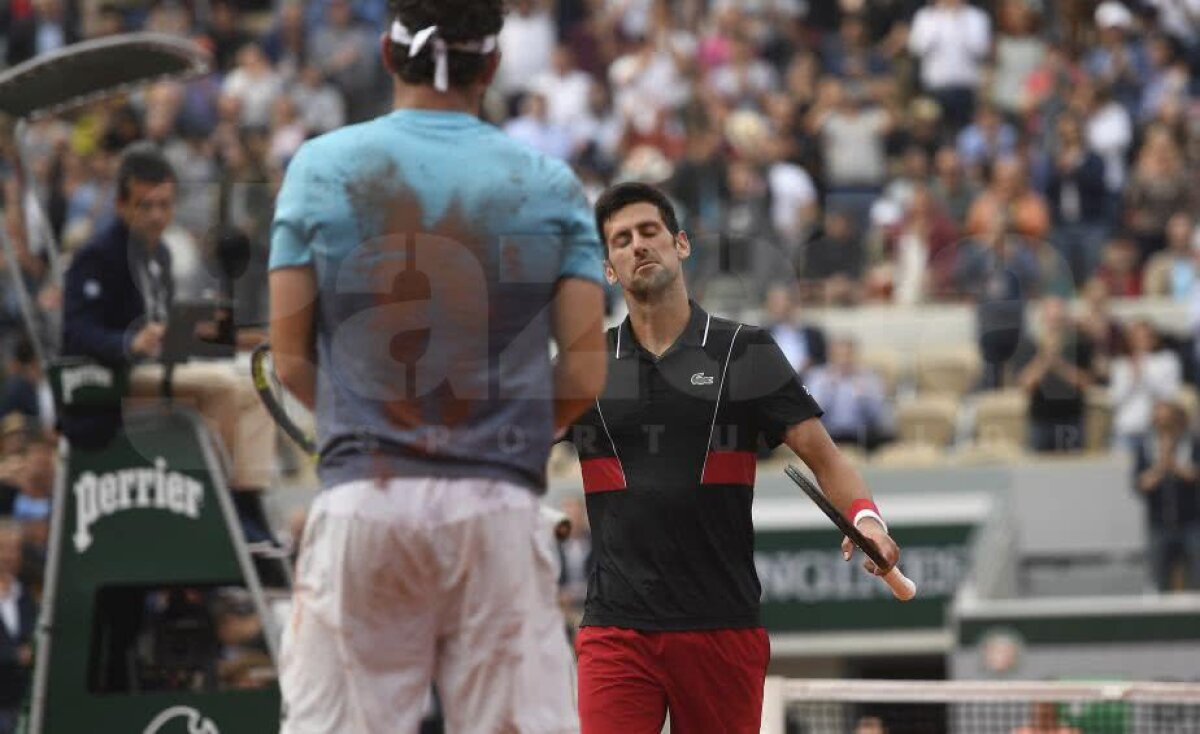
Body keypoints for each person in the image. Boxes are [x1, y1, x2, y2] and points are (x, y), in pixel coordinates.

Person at [266, 0, 608, 730]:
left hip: (364, 502)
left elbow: (288, 358)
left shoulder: (318, 167)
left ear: (389, 56)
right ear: (492, 65)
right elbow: (584, 374)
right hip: (498, 510)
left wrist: (366, 424)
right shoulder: (551, 184)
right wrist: (501, 438)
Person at [565, 182, 901, 734]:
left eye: (649, 232)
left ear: (681, 244)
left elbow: (825, 458)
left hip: (722, 629)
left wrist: (867, 519)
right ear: (608, 269)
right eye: (621, 240)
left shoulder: (746, 351)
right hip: (615, 630)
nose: (638, 245)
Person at [60, 144, 278, 544]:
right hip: (112, 379)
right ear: (121, 205)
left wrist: (209, 334)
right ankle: (228, 505)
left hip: (156, 369)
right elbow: (77, 332)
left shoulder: (159, 253)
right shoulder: (97, 255)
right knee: (222, 387)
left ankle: (249, 501)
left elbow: (165, 329)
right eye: (146, 206)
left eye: (164, 205)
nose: (157, 216)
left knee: (254, 382)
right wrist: (128, 342)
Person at [1134, 400, 1200, 592]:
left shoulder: (1192, 444)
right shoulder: (1146, 447)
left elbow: (1194, 475)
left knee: (1196, 579)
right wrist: (1161, 466)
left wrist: (1174, 465)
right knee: (1159, 581)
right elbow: (1141, 483)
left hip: (1191, 523)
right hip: (1159, 525)